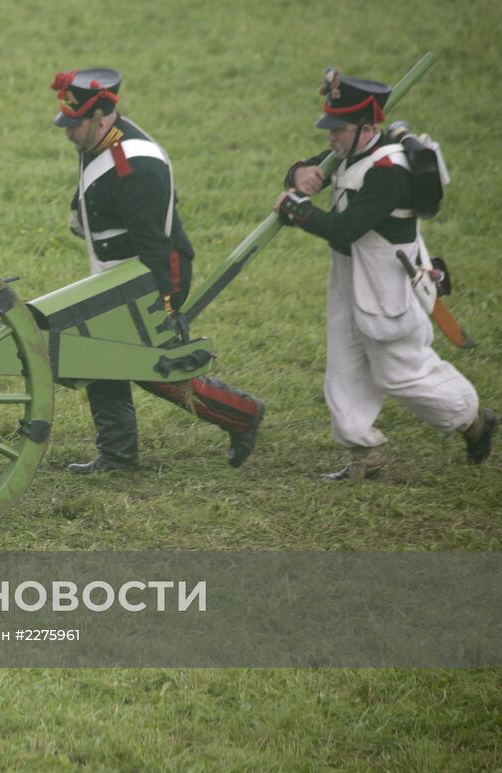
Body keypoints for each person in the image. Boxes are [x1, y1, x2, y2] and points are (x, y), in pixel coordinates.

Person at [275, 69, 495, 479]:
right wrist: (296, 175)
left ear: (366, 127)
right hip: (348, 275)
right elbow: (319, 173)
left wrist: (296, 209)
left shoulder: (389, 172)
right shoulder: (352, 151)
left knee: (401, 374)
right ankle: (363, 455)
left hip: (384, 282)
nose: (330, 138)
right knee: (344, 368)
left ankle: (474, 418)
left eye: (338, 130)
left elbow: (343, 229)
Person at [49, 69, 266, 474]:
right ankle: (117, 456)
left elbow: (157, 247)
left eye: (74, 123)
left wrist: (164, 304)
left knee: (150, 367)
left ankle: (243, 414)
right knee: (95, 353)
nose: (67, 131)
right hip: (115, 275)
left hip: (151, 277)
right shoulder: (98, 143)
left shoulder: (137, 166)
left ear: (101, 118)